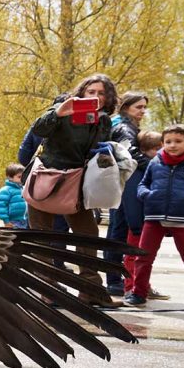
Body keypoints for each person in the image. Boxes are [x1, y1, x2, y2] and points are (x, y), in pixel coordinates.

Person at [26, 73, 116, 306]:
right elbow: (37, 130)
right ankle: (46, 288)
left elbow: (96, 149)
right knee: (42, 236)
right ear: (82, 93)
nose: (96, 97)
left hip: (77, 182)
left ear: (108, 98)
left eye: (101, 93)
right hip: (47, 178)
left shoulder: (103, 120)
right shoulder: (63, 108)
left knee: (88, 235)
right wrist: (58, 112)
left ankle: (91, 289)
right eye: (91, 92)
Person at [128, 124, 184, 306]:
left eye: (178, 141)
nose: (172, 145)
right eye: (168, 141)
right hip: (154, 217)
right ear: (162, 143)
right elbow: (143, 183)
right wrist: (145, 194)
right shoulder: (155, 162)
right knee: (143, 257)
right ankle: (138, 294)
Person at [104, 91, 148, 295]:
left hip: (119, 183)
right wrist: (155, 166)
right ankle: (114, 280)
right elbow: (130, 153)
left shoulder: (121, 124)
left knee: (117, 231)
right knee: (118, 233)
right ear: (126, 107)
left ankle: (117, 279)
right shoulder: (123, 127)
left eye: (144, 107)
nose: (143, 111)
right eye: (139, 107)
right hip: (123, 184)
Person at [120, 131, 163, 299]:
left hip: (146, 220)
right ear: (153, 149)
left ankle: (143, 285)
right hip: (138, 222)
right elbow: (132, 199)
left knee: (144, 256)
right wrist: (136, 225)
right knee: (133, 256)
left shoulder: (150, 166)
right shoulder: (139, 169)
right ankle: (130, 287)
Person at [0, 163, 27, 228]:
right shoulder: (6, 190)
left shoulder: (24, 189)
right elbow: (1, 207)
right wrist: (6, 221)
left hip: (25, 220)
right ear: (10, 177)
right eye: (19, 177)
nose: (22, 179)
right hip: (13, 221)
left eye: (24, 177)